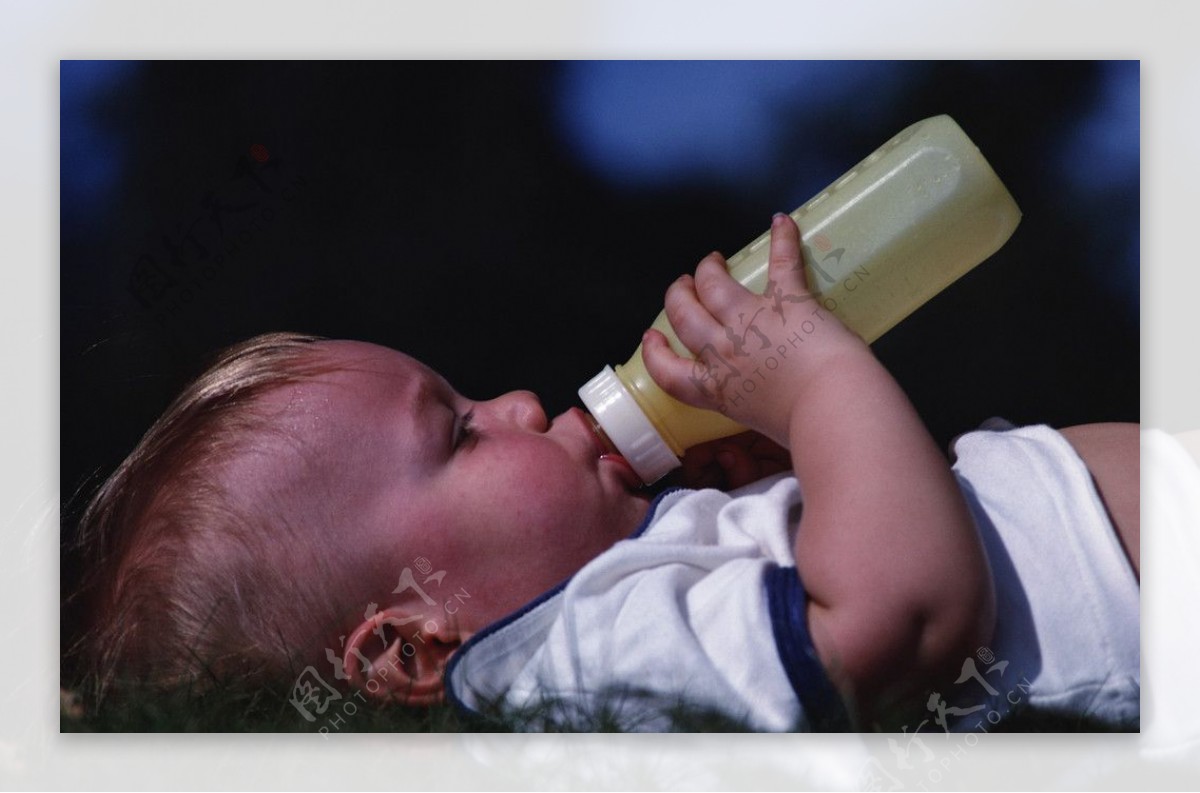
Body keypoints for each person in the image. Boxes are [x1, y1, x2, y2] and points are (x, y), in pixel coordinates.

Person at [68, 215, 1140, 732]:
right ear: (405, 644)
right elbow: (906, 620)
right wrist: (817, 387)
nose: (521, 405)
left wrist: (781, 480)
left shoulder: (606, 618)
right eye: (461, 435)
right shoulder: (560, 675)